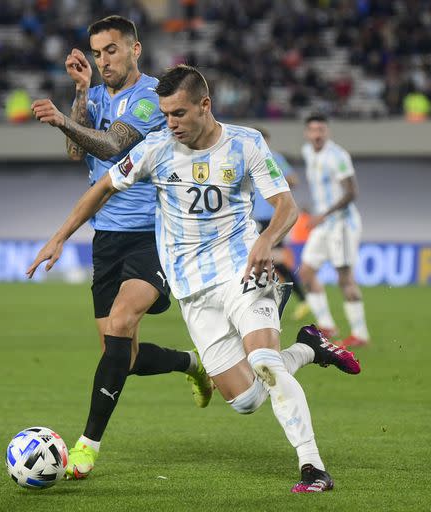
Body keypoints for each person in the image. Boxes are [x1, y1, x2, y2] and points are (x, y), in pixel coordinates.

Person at [28, 65, 361, 492]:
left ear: (205, 105)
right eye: (166, 114)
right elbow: (104, 187)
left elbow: (286, 206)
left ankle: (313, 468)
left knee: (263, 361)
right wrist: (59, 237)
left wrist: (266, 241)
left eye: (179, 114)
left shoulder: (246, 143)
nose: (171, 123)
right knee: (246, 400)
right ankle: (309, 347)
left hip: (243, 269)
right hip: (193, 290)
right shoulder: (157, 148)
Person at [30, 15, 213, 480]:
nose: (102, 60)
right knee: (121, 356)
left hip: (152, 233)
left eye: (111, 50)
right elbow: (79, 155)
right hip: (106, 238)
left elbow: (112, 146)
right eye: (96, 52)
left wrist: (59, 121)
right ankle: (193, 364)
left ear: (134, 49)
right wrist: (78, 96)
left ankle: (86, 446)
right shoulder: (93, 94)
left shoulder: (155, 98)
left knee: (121, 322)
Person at [299, 114, 371, 347]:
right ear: (307, 134)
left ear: (327, 132)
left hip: (341, 224)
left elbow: (352, 192)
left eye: (321, 129)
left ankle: (360, 335)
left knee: (344, 278)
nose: (317, 134)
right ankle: (327, 326)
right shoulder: (308, 152)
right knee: (307, 272)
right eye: (313, 130)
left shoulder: (338, 156)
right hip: (323, 223)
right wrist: (315, 210)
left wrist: (324, 214)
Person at [251, 127, 310, 321]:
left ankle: (299, 298)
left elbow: (293, 180)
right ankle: (272, 299)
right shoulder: (248, 158)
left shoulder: (273, 158)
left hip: (272, 216)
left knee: (272, 259)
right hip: (255, 217)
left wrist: (274, 180)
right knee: (268, 260)